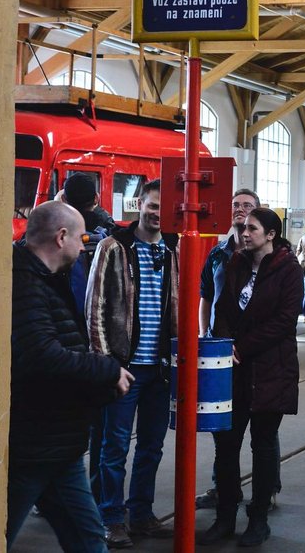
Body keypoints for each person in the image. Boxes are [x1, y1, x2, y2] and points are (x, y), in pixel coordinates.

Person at [7, 201, 133, 552]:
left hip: (58, 446)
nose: (84, 246)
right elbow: (42, 356)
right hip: (35, 447)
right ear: (61, 237)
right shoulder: (26, 284)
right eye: (81, 238)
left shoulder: (44, 280)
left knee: (89, 540)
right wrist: (107, 371)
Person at [201, 208, 302, 546]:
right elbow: (223, 309)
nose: (244, 233)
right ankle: (225, 517)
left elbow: (285, 321)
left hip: (272, 370)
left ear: (271, 234)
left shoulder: (289, 270)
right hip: (234, 371)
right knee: (226, 447)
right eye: (242, 228)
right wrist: (225, 344)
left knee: (263, 445)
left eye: (252, 229)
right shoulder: (236, 264)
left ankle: (258, 519)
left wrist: (241, 347)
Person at [86, 179, 178, 547]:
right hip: (124, 367)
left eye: (163, 208)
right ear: (139, 203)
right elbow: (94, 309)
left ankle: (141, 514)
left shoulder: (172, 251)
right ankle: (111, 518)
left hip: (159, 369)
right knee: (114, 447)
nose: (156, 214)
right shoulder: (112, 248)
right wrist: (108, 364)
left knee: (152, 447)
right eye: (152, 205)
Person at [196, 189, 282, 513]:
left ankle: (267, 488)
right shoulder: (219, 253)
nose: (240, 211)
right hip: (220, 347)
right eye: (235, 205)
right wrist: (205, 332)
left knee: (263, 427)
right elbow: (206, 294)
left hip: (255, 352)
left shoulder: (267, 258)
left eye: (247, 207)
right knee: (223, 426)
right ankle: (223, 490)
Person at [61, 172, 118, 502]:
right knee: (101, 427)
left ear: (65, 199)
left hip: (63, 340)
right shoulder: (111, 234)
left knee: (60, 420)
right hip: (97, 343)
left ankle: (55, 490)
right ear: (96, 198)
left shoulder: (59, 231)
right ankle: (96, 495)